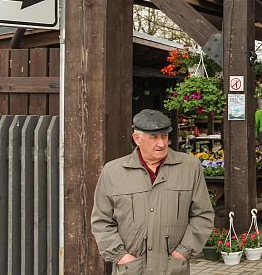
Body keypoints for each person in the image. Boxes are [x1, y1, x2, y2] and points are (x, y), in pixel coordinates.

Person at [91, 109, 214, 274]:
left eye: (164, 136)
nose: (162, 144)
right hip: (130, 269)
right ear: (137, 138)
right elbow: (101, 221)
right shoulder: (113, 171)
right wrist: (120, 256)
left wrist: (183, 251)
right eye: (154, 137)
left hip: (173, 268)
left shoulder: (190, 167)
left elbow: (202, 215)